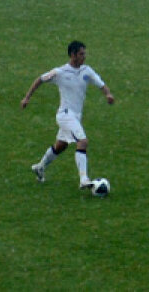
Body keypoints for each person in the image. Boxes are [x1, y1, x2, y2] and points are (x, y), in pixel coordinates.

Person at [21, 40, 115, 189]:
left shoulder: (87, 71)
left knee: (61, 145)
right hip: (65, 115)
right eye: (81, 54)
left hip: (76, 116)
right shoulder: (60, 72)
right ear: (73, 55)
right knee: (82, 142)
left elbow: (101, 84)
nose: (84, 56)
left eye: (84, 53)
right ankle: (84, 179)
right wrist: (27, 98)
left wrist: (108, 94)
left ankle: (40, 167)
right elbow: (40, 80)